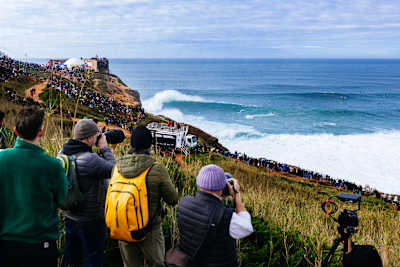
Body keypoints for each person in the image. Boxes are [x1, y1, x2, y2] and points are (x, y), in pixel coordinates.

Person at [0, 106, 68, 267]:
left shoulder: (1, 159)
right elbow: (63, 200)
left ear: (15, 131)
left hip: (6, 245)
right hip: (41, 247)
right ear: (41, 132)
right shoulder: (53, 165)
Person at [117, 125, 179, 267]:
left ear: (131, 144)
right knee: (156, 264)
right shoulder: (157, 168)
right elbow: (173, 199)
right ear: (150, 145)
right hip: (149, 229)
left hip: (124, 226)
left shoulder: (117, 166)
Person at [60, 118, 115, 267]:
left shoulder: (63, 153)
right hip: (91, 220)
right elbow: (114, 169)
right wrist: (104, 148)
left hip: (70, 216)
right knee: (93, 258)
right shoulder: (90, 159)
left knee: (72, 257)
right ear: (90, 137)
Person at [177, 164, 253, 267]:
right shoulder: (226, 217)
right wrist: (236, 195)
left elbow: (206, 211)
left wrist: (218, 199)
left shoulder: (184, 203)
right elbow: (247, 227)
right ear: (223, 187)